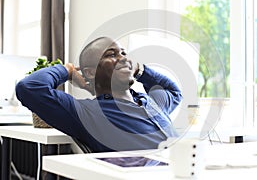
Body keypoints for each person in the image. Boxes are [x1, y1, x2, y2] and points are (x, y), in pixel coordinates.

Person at [16, 36, 182, 152]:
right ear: (90, 72)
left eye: (124, 53)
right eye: (112, 54)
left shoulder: (151, 102)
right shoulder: (87, 113)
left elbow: (173, 92)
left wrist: (140, 70)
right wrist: (67, 70)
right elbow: (29, 88)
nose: (123, 58)